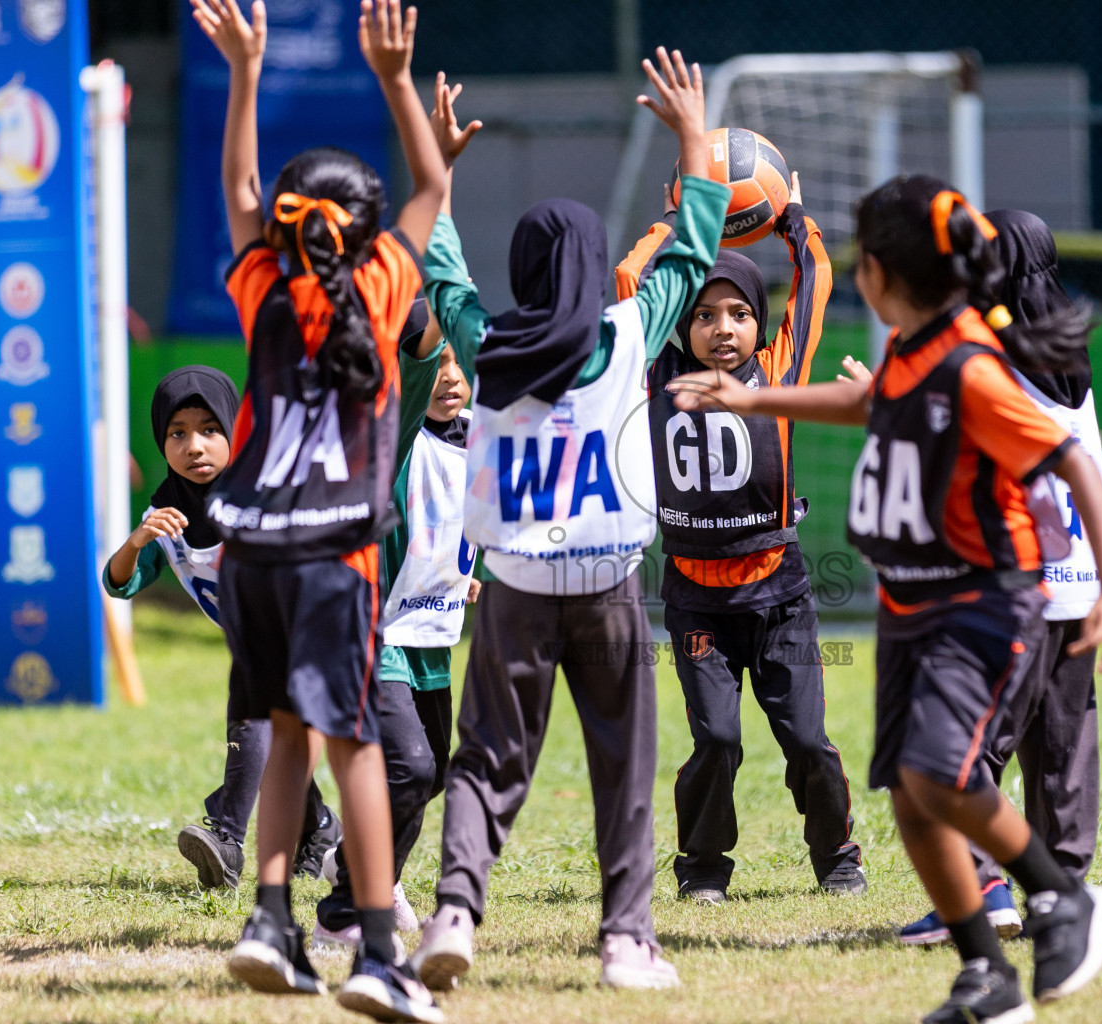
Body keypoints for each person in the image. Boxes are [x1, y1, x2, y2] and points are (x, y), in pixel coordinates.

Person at [670, 175, 1102, 1024]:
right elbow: (866, 400)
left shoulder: (969, 362)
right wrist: (753, 396)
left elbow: (1071, 462)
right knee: (911, 794)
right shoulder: (917, 349)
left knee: (939, 776)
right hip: (912, 609)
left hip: (979, 604)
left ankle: (1062, 896)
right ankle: (985, 974)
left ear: (879, 272)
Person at [404, 49, 726, 992]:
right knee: (623, 767)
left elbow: (441, 264)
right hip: (609, 586)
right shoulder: (631, 333)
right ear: (592, 265)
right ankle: (627, 940)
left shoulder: (486, 342)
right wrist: (693, 137)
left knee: (486, 760)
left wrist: (443, 169)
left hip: (510, 589)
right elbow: (694, 248)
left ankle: (455, 910)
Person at [190, 0, 447, 1020]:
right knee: (357, 747)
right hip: (332, 551)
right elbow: (433, 184)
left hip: (248, 547)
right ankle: (381, 952)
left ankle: (270, 922)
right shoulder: (381, 289)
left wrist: (246, 72)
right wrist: (396, 81)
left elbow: (242, 189)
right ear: (365, 232)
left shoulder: (262, 288)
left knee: (289, 733)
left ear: (292, 232)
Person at [613, 175, 863, 904]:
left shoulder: (779, 372)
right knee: (717, 740)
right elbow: (633, 277)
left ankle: (836, 856)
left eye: (739, 314)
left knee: (808, 740)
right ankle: (703, 868)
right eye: (705, 315)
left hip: (781, 594)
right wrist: (678, 214)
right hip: (697, 601)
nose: (723, 328)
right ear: (680, 327)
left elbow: (813, 274)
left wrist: (791, 213)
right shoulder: (655, 373)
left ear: (760, 325)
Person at [898, 209, 1102, 946]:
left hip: (1013, 583)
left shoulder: (983, 357)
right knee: (1063, 744)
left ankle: (984, 885)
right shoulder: (1066, 353)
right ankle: (1063, 887)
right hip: (1079, 580)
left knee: (967, 742)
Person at [103, 366, 341, 891]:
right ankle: (320, 829)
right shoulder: (164, 516)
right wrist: (136, 541)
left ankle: (227, 840)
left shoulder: (263, 493)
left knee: (255, 714)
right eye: (178, 432)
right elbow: (118, 584)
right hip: (258, 637)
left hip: (305, 629)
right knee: (280, 740)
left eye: (211, 429)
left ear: (237, 430)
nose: (195, 446)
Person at [316, 323, 480, 945]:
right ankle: (345, 907)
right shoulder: (395, 435)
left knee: (432, 771)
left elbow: (458, 522)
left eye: (461, 365)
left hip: (429, 632)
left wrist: (469, 573)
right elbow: (415, 357)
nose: (451, 378)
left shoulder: (473, 441)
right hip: (372, 631)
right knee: (409, 768)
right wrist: (435, 277)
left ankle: (366, 874)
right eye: (439, 365)